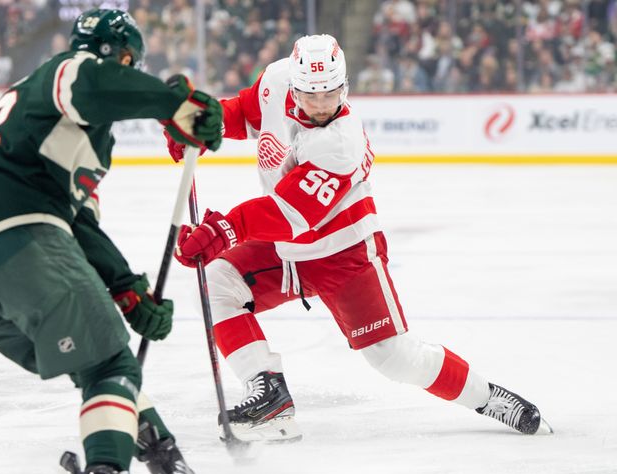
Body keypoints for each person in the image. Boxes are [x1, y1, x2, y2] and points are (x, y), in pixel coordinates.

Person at [167, 34, 548, 443]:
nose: (320, 106)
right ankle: (269, 393)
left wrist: (223, 230)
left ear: (344, 87)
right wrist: (199, 126)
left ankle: (488, 397)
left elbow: (291, 214)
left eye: (329, 95)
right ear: (293, 85)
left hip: (343, 251)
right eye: (310, 96)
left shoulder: (340, 141)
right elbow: (242, 114)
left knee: (395, 359)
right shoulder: (275, 81)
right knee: (216, 282)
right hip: (284, 247)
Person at [0, 8, 222, 474]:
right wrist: (170, 103)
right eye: (129, 65)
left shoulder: (62, 122)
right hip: (16, 236)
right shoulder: (67, 72)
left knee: (94, 360)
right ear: (120, 58)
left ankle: (155, 444)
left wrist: (126, 289)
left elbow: (78, 222)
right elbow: (92, 81)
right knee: (110, 364)